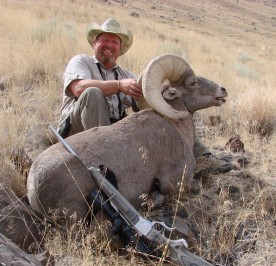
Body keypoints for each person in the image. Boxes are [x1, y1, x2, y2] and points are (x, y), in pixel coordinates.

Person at [57, 18, 233, 173]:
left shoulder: (126, 76)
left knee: (169, 108)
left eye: (114, 42)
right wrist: (119, 86)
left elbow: (146, 102)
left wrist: (164, 101)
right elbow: (78, 88)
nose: (109, 45)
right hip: (77, 133)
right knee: (92, 93)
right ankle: (105, 165)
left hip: (112, 136)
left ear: (120, 48)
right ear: (95, 43)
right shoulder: (81, 62)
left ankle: (201, 155)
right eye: (104, 40)